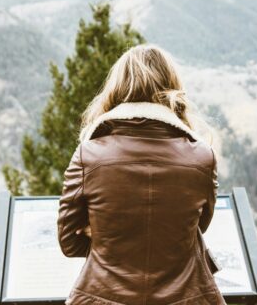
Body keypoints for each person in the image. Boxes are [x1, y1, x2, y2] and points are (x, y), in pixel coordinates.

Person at [57, 44, 226, 305]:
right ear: (171, 88)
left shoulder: (88, 156)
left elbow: (69, 242)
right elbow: (196, 228)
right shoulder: (203, 158)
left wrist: (108, 241)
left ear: (116, 90)